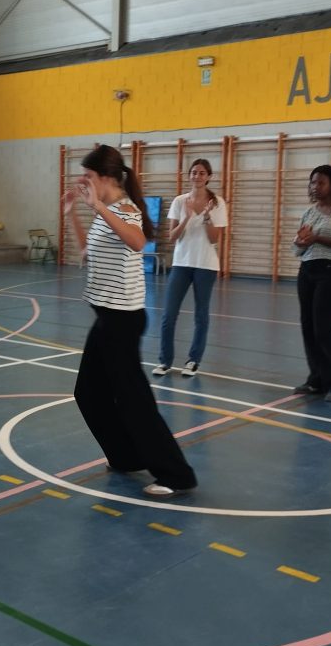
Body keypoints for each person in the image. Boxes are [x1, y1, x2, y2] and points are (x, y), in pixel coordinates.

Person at [64, 144, 197, 497]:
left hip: (122, 319)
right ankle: (125, 457)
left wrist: (96, 207)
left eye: (89, 175)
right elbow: (86, 253)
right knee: (88, 393)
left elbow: (138, 242)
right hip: (106, 317)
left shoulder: (126, 209)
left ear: (107, 177)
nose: (84, 181)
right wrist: (72, 214)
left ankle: (176, 475)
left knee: (134, 401)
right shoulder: (106, 211)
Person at [152, 158, 227, 378]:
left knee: (201, 315)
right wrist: (186, 217)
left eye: (202, 173)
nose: (197, 176)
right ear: (189, 175)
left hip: (206, 265)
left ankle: (194, 360)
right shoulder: (179, 201)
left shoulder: (217, 202)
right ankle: (165, 361)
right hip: (181, 264)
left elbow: (214, 239)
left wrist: (206, 216)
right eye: (194, 172)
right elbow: (172, 236)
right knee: (169, 314)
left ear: (209, 176)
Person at [292, 164, 331, 402]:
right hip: (307, 270)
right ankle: (317, 379)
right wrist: (301, 241)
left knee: (325, 330)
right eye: (313, 182)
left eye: (321, 182)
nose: (315, 187)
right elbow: (298, 247)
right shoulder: (309, 213)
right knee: (308, 327)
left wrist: (316, 238)